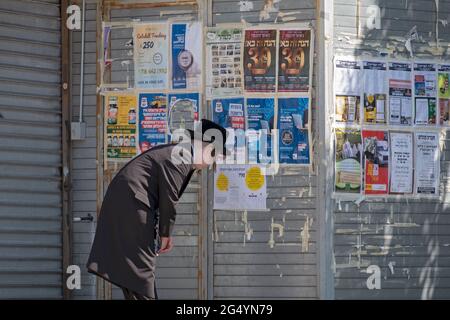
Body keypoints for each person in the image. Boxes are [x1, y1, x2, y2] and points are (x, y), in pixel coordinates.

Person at [86, 119, 227, 300]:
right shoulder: (181, 156)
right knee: (141, 269)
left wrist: (162, 231)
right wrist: (165, 234)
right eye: (214, 154)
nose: (212, 161)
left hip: (131, 204)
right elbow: (169, 200)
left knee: (134, 271)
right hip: (131, 205)